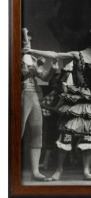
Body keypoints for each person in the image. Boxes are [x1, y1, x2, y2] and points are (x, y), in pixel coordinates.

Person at [25, 29, 91, 180]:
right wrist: (31, 50)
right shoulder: (77, 55)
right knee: (67, 132)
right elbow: (55, 54)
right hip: (78, 99)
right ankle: (58, 171)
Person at [21, 28, 58, 181]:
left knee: (37, 132)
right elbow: (22, 75)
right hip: (19, 94)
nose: (28, 42)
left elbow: (45, 77)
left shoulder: (32, 58)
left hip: (33, 95)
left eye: (29, 39)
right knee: (18, 130)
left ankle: (35, 171)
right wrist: (32, 67)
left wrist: (53, 68)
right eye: (25, 39)